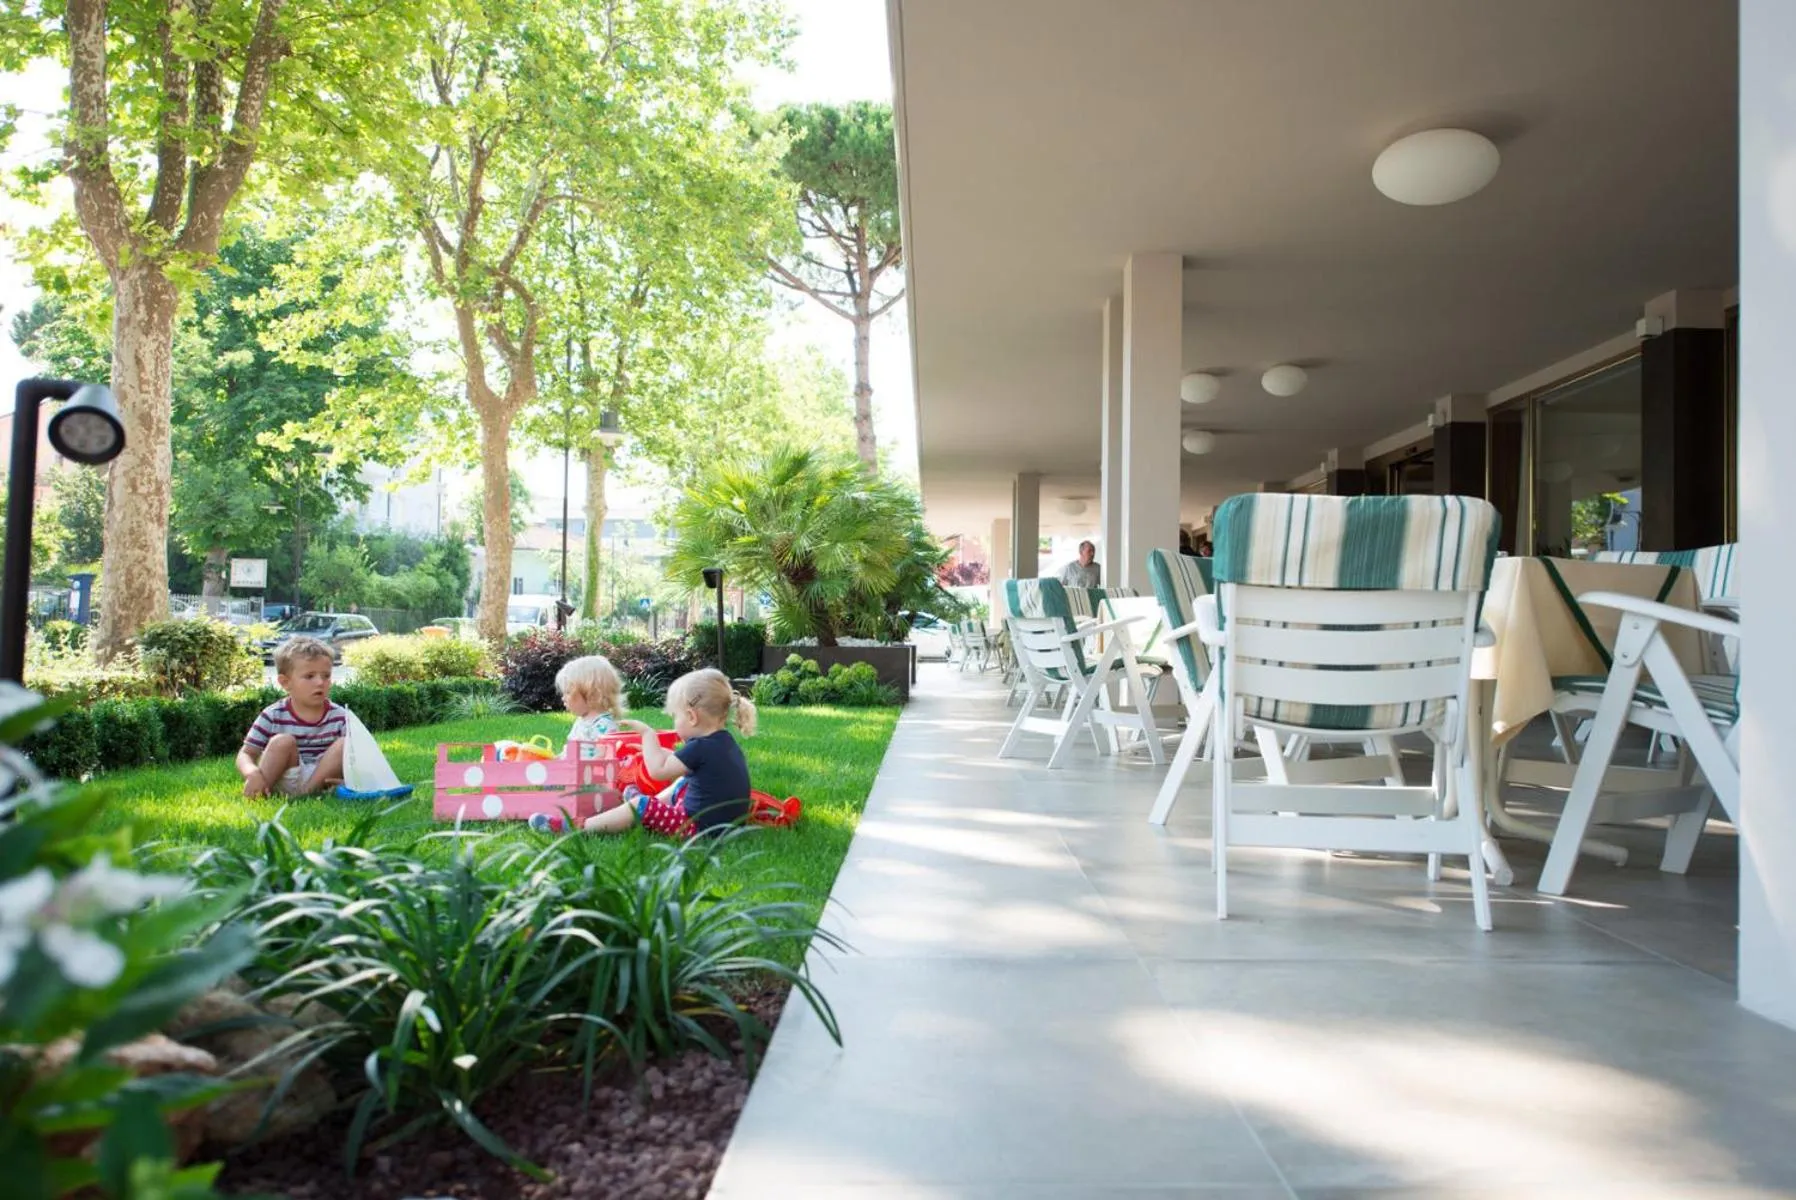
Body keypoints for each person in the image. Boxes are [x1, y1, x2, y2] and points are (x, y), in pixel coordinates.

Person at [580, 668, 757, 839]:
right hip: (728, 826)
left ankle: (582, 826)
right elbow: (681, 761)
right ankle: (651, 802)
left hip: (698, 829)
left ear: (691, 717)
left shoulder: (699, 747)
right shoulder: (724, 741)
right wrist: (660, 752)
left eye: (675, 716)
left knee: (640, 806)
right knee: (683, 782)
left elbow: (658, 772)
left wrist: (648, 736)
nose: (675, 722)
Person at [237, 636, 347, 798]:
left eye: (326, 676)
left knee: (346, 744)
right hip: (286, 774)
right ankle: (260, 793)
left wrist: (351, 780)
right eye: (310, 676)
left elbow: (359, 758)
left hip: (324, 778)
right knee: (282, 742)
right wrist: (252, 773)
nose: (320, 682)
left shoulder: (340, 716)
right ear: (285, 683)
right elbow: (246, 753)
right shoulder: (272, 715)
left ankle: (306, 795)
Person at [555, 654, 625, 742]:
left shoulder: (603, 725)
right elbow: (570, 749)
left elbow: (606, 754)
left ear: (591, 695)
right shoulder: (582, 721)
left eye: (568, 692)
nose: (563, 698)